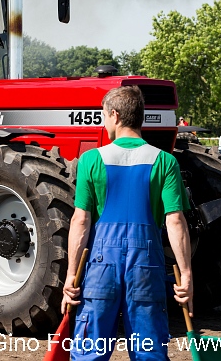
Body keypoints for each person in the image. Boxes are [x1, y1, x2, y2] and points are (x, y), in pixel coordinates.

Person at [62, 85, 193, 360]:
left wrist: (71, 276)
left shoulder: (91, 160)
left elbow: (81, 220)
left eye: (103, 116)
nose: (103, 122)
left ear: (115, 115)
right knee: (149, 349)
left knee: (89, 349)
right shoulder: (165, 162)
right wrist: (187, 274)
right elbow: (176, 221)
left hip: (101, 266)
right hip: (147, 264)